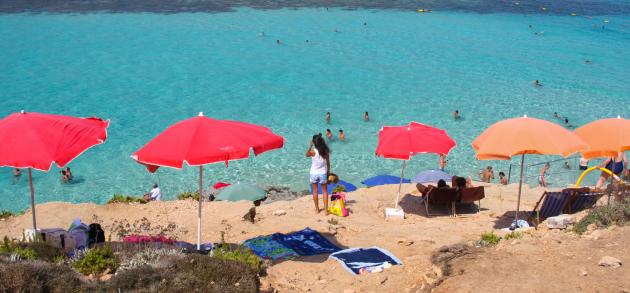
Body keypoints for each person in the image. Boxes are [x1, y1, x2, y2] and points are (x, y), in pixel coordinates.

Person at [306, 134, 331, 214]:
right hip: (323, 173)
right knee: (324, 191)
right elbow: (328, 163)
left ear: (314, 142)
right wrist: (328, 172)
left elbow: (306, 155)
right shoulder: (325, 151)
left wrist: (310, 145)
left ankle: (317, 210)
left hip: (314, 173)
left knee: (315, 191)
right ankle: (326, 211)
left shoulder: (313, 152)